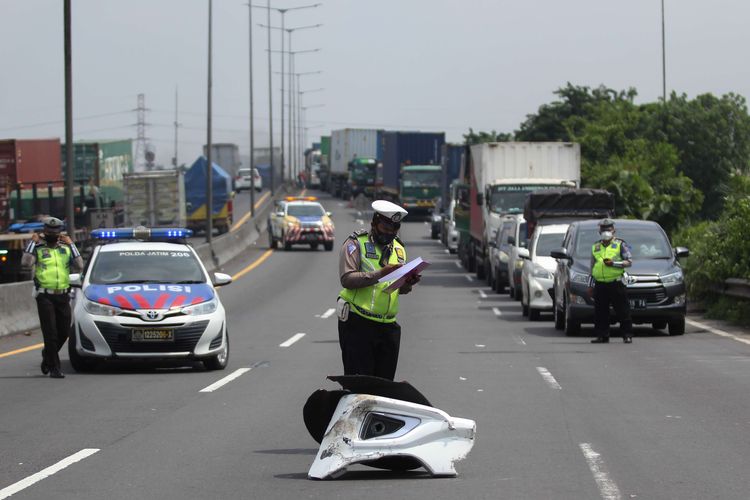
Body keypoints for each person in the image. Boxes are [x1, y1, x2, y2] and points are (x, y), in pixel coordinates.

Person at [337, 200, 421, 380]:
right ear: (374, 223)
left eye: (394, 229)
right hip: (358, 322)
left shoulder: (399, 249)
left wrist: (408, 282)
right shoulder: (356, 244)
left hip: (388, 326)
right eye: (385, 228)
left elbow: (397, 290)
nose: (389, 233)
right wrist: (380, 273)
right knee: (359, 385)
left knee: (384, 386)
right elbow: (347, 279)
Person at [21, 217, 83, 378]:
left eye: (55, 232)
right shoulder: (39, 248)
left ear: (60, 233)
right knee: (51, 333)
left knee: (64, 332)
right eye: (49, 232)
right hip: (44, 296)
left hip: (63, 295)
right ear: (44, 232)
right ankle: (54, 368)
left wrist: (72, 244)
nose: (52, 234)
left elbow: (80, 265)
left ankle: (48, 355)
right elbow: (26, 263)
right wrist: (32, 243)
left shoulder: (65, 249)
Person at [588, 219, 633, 344]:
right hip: (600, 283)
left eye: (608, 229)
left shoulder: (621, 244)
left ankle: (627, 335)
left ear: (613, 230)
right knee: (600, 312)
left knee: (623, 310)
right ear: (599, 231)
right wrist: (590, 285)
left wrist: (614, 264)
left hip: (616, 282)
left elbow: (629, 262)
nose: (605, 232)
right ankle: (602, 335)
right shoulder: (595, 247)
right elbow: (592, 267)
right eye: (603, 229)